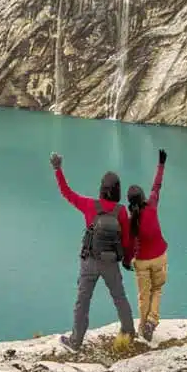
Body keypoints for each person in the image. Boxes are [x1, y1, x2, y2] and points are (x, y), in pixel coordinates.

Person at [50, 151, 136, 352]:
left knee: (83, 301)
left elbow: (67, 192)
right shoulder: (121, 211)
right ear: (117, 190)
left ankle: (76, 341)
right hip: (111, 262)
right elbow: (127, 240)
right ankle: (129, 332)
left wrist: (57, 169)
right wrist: (126, 259)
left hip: (89, 261)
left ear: (101, 188)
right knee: (119, 297)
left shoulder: (90, 205)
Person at [127, 148, 169, 342]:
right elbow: (157, 185)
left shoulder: (130, 221)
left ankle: (143, 328)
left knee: (144, 295)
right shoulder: (151, 204)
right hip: (159, 256)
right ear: (143, 196)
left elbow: (127, 244)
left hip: (142, 262)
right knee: (157, 289)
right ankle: (152, 321)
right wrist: (161, 164)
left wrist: (127, 260)